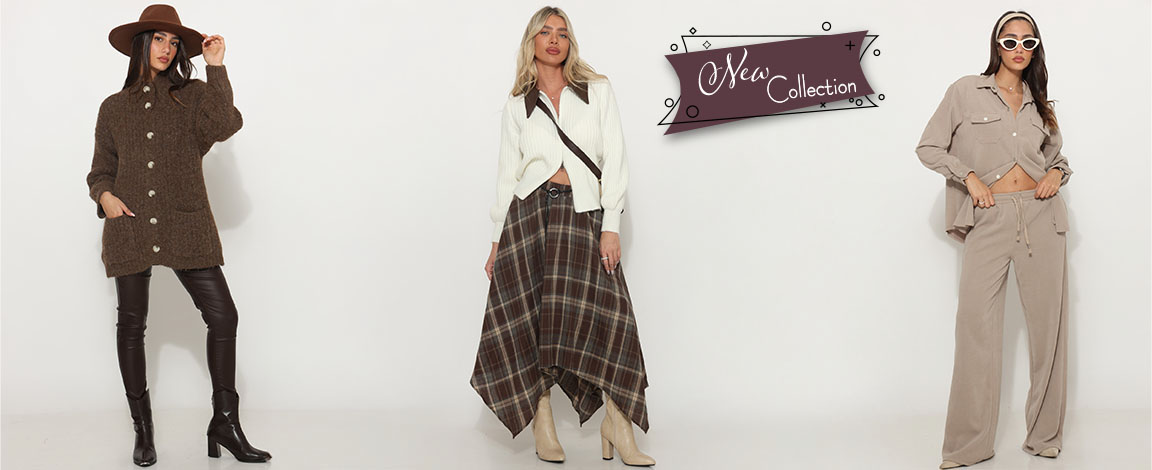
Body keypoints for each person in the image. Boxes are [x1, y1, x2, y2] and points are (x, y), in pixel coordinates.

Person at [469, 6, 655, 466]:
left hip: (584, 213)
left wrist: (611, 226)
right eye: (545, 32)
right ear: (531, 41)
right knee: (531, 319)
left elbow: (616, 159)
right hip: (528, 217)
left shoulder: (597, 90)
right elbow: (506, 176)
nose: (554, 39)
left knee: (611, 319)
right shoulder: (517, 105)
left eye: (562, 33)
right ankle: (542, 420)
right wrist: (496, 240)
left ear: (570, 43)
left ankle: (618, 422)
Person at [86, 4, 270, 466]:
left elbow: (226, 124)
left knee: (223, 317)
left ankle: (225, 423)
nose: (167, 49)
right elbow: (101, 169)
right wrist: (105, 196)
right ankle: (143, 431)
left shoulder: (193, 96)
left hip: (186, 224)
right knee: (132, 326)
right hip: (129, 225)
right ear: (140, 43)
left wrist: (216, 67)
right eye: (158, 39)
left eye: (173, 42)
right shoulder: (113, 108)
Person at [916, 10, 1071, 469]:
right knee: (976, 330)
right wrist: (968, 176)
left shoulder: (1040, 103)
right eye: (1010, 40)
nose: (1019, 48)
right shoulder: (965, 91)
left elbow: (1058, 158)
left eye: (1028, 41)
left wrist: (1057, 175)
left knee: (1048, 332)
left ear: (1036, 49)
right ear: (996, 45)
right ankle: (968, 446)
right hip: (989, 216)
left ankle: (1044, 437)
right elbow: (928, 147)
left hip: (1042, 217)